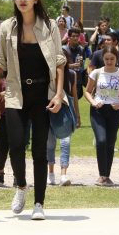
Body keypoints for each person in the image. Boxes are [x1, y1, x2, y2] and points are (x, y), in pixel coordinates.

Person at [0, 0, 66, 221]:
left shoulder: (50, 26)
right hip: (15, 94)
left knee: (40, 151)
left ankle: (39, 203)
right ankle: (21, 186)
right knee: (15, 144)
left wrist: (58, 93)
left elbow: (59, 61)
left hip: (43, 94)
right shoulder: (6, 28)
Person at [84, 45, 119, 186]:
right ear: (102, 59)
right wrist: (93, 102)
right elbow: (87, 91)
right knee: (101, 141)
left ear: (117, 59)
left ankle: (107, 176)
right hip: (98, 110)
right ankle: (101, 175)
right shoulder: (96, 73)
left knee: (110, 144)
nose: (109, 61)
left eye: (112, 59)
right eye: (106, 59)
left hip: (114, 111)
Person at [47, 53, 77, 186]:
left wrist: (77, 115)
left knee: (66, 142)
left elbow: (74, 95)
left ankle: (63, 174)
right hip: (49, 109)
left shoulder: (71, 75)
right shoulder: (48, 73)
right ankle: (51, 172)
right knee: (50, 143)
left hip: (65, 110)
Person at [63, 26, 89, 127]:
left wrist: (81, 65)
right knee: (67, 101)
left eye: (77, 36)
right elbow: (61, 67)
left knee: (75, 101)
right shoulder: (63, 49)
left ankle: (75, 120)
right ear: (68, 37)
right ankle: (71, 121)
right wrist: (72, 66)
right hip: (66, 80)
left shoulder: (81, 49)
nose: (75, 38)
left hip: (77, 79)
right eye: (73, 36)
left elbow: (82, 65)